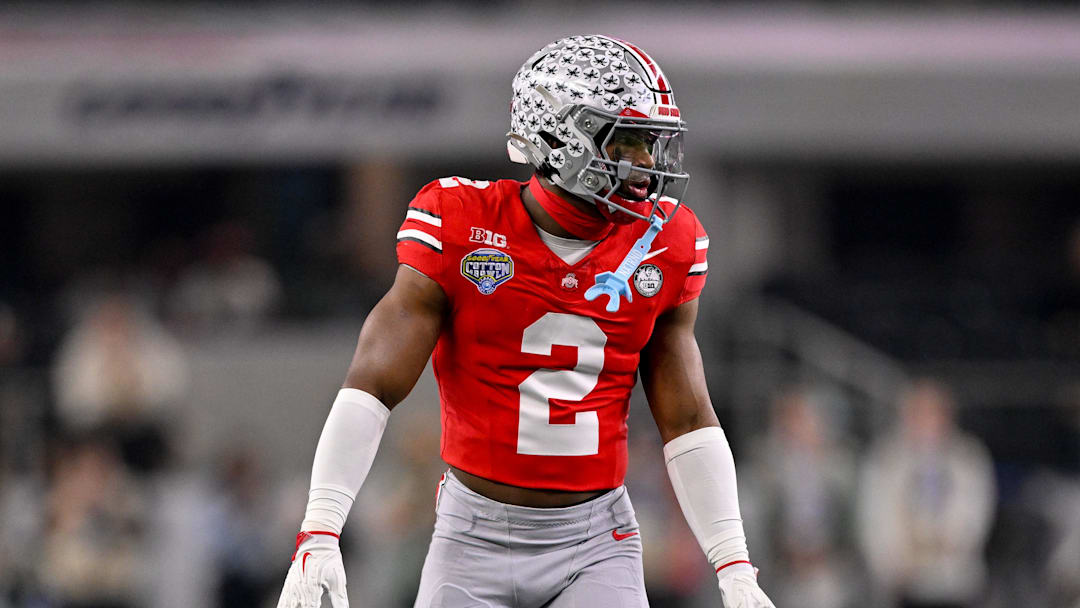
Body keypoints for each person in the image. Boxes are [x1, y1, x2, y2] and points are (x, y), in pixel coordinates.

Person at [276, 35, 775, 608]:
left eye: (652, 144)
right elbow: (372, 383)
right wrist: (321, 527)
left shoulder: (667, 241)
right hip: (471, 536)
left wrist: (733, 562)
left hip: (597, 541)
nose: (646, 167)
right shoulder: (461, 223)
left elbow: (687, 417)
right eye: (628, 142)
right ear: (559, 136)